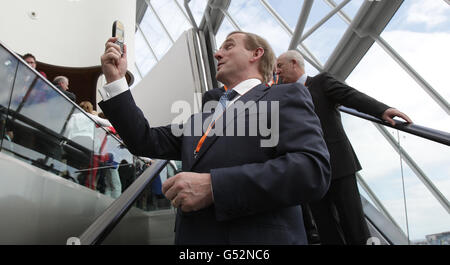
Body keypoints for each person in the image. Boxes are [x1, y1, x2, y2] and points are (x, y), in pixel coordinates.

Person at [98, 31, 331, 244]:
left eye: (228, 46)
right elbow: (143, 139)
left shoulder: (284, 95)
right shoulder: (200, 120)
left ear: (256, 54)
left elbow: (312, 170)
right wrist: (116, 80)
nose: (217, 53)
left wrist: (214, 187)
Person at [276, 50, 413, 245]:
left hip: (339, 164)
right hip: (310, 171)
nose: (277, 71)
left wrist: (382, 109)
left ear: (294, 64)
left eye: (280, 66)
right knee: (325, 228)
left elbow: (351, 96)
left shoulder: (321, 83)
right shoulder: (283, 95)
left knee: (354, 224)